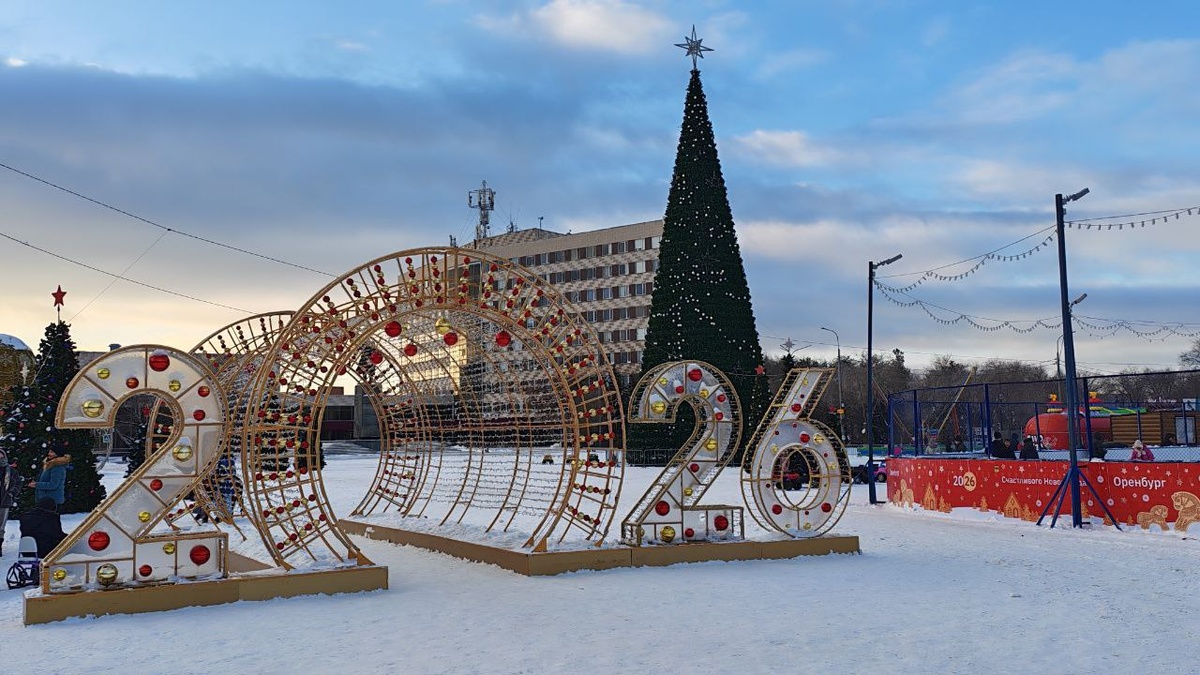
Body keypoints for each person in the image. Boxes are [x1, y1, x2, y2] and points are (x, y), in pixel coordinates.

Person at [1, 448, 25, 555]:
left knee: (1, 526)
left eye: (1, 456)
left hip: (5, 501)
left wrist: (12, 493)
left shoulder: (11, 471)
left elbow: (18, 483)